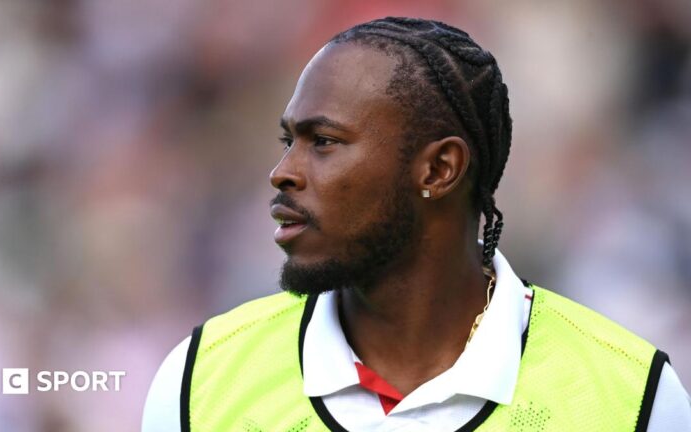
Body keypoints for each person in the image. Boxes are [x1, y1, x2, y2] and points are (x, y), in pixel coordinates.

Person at [142, 17, 691, 431]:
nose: (282, 172)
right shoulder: (199, 381)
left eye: (323, 141)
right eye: (290, 141)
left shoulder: (633, 398)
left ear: (439, 169)